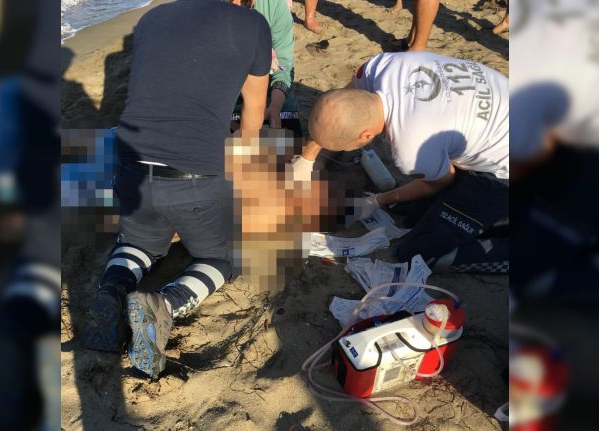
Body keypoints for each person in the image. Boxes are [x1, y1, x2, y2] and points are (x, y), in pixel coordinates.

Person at [83, 0, 272, 380]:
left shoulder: (152, 16)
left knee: (138, 244)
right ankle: (166, 304)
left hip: (131, 167)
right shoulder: (252, 24)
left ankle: (111, 290)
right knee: (221, 258)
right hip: (193, 176)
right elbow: (252, 120)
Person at [293, 51, 508, 271]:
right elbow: (336, 106)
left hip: (508, 168)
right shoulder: (380, 67)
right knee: (412, 217)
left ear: (366, 137)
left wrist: (377, 201)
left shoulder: (410, 146)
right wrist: (307, 158)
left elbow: (443, 180)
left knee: (419, 254)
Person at [231, 0, 294, 129]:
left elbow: (283, 65)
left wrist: (275, 106)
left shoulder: (275, 5)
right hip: (222, 88)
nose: (235, 4)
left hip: (264, 85)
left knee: (287, 114)